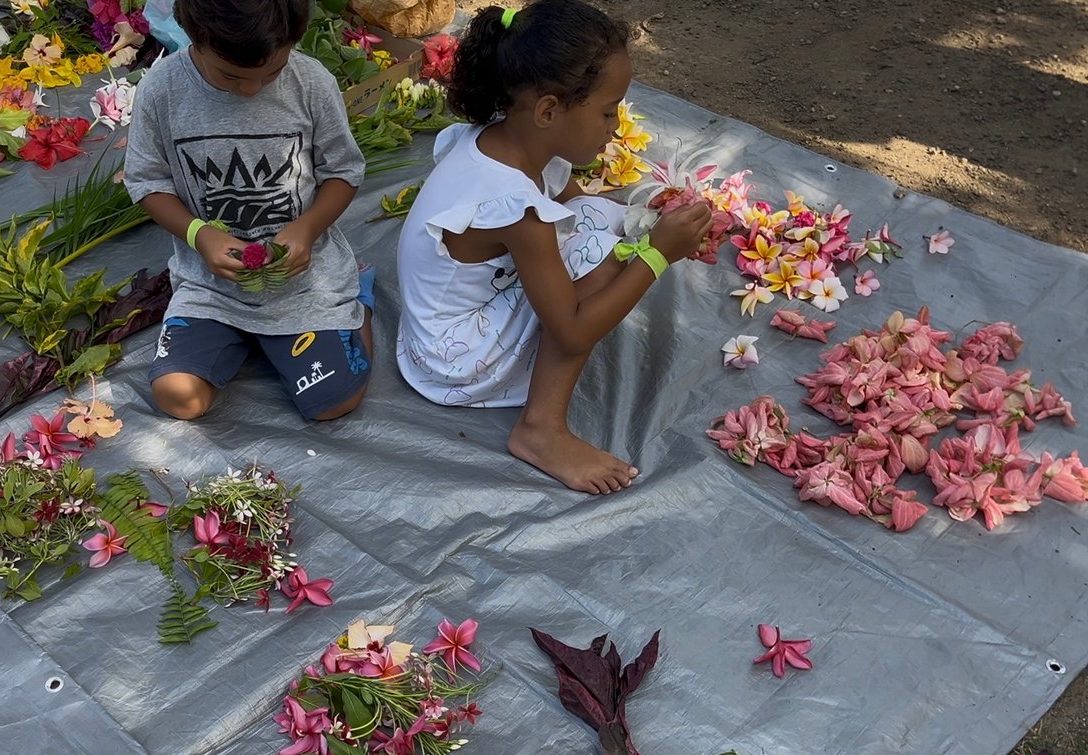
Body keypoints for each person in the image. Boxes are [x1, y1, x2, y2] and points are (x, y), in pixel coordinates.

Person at [395, 0, 712, 495]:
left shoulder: (504, 141)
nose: (614, 125)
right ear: (548, 110)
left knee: (601, 230)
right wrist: (657, 255)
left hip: (432, 329)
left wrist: (650, 221)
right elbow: (572, 331)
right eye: (608, 112)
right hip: (451, 359)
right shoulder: (517, 209)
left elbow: (580, 207)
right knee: (600, 267)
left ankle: (541, 414)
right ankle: (541, 429)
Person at [122, 0, 373, 422]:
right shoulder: (162, 89)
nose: (253, 89)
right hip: (211, 285)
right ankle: (243, 334)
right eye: (232, 76)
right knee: (178, 396)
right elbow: (147, 182)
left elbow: (344, 171)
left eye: (271, 73)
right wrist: (199, 234)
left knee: (333, 401)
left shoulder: (310, 82)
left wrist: (307, 228)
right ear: (193, 37)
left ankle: (357, 300)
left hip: (301, 279)